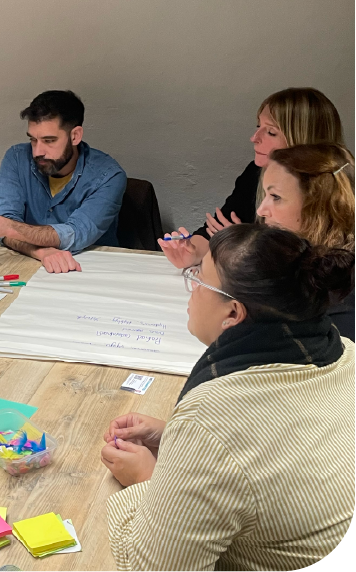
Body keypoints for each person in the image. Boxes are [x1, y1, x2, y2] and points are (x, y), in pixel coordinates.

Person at [101, 224, 354, 571]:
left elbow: (156, 566)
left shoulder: (210, 421)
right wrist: (177, 439)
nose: (190, 289)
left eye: (198, 279)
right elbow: (277, 444)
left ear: (233, 313)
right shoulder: (345, 352)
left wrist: (148, 480)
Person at [159, 87, 345, 269]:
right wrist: (193, 251)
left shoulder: (336, 201)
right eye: (258, 127)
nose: (254, 137)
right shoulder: (255, 173)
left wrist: (251, 246)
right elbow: (217, 228)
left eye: (271, 132)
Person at [0, 90, 127, 273]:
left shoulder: (109, 175)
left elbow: (76, 233)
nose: (38, 152)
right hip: (30, 267)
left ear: (75, 136)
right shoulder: (16, 158)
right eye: (33, 140)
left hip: (91, 271)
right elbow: (5, 231)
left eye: (49, 140)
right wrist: (42, 252)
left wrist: (9, 227)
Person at [258, 143, 354, 339]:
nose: (261, 210)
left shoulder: (341, 302)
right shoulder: (294, 259)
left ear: (317, 205)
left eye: (275, 196)